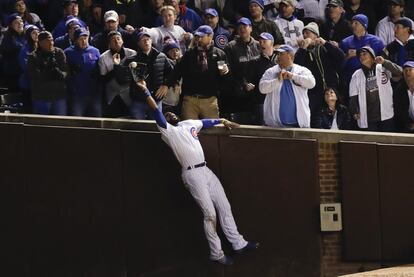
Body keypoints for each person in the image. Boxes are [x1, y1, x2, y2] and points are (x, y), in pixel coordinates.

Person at [136, 78, 259, 266]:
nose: (169, 115)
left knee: (224, 205)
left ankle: (238, 243)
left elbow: (206, 122)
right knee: (210, 213)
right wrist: (145, 91)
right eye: (166, 115)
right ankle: (216, 253)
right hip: (191, 174)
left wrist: (222, 120)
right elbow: (155, 111)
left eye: (170, 113)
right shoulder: (168, 131)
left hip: (205, 169)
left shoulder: (187, 124)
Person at [167, 25, 230, 120]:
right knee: (189, 131)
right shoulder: (189, 54)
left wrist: (226, 71)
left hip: (210, 100)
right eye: (197, 37)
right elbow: (177, 71)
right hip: (190, 100)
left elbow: (226, 77)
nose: (198, 39)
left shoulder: (219, 54)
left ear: (210, 36)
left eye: (202, 36)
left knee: (212, 131)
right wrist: (167, 84)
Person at [294, 22, 345, 127]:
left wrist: (325, 43)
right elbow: (297, 67)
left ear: (315, 35)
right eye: (303, 34)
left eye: (307, 33)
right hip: (314, 93)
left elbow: (341, 57)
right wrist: (303, 48)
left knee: (334, 118)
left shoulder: (325, 47)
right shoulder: (303, 51)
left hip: (331, 88)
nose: (305, 36)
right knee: (316, 120)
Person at [115, 30, 173, 119]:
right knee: (138, 129)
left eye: (148, 39)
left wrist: (166, 85)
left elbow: (172, 73)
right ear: (138, 43)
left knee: (156, 128)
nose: (146, 41)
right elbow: (121, 79)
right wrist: (117, 65)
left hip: (156, 100)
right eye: (143, 40)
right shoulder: (131, 60)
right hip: (138, 101)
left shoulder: (161, 56)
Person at [259, 44, 316, 128]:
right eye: (277, 54)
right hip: (275, 124)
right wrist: (277, 80)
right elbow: (262, 89)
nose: (277, 56)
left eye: (281, 54)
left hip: (299, 124)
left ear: (290, 55)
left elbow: (311, 83)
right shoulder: (270, 71)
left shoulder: (302, 70)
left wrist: (293, 76)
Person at [349, 46, 402, 132]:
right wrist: (354, 110)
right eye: (360, 56)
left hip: (386, 114)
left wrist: (384, 62)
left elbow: (400, 72)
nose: (362, 57)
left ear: (372, 55)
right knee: (372, 144)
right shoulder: (356, 74)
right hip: (369, 117)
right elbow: (353, 95)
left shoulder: (383, 67)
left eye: (364, 54)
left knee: (386, 141)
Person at [224, 17, 261, 121]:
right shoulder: (230, 47)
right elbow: (229, 71)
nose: (242, 29)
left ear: (251, 28)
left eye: (244, 26)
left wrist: (256, 85)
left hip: (257, 91)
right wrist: (242, 84)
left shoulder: (258, 45)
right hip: (238, 92)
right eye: (239, 27)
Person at [340, 14, 385, 95]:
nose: (352, 25)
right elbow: (339, 65)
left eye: (356, 23)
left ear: (364, 25)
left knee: (371, 101)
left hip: (371, 78)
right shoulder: (345, 42)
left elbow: (383, 62)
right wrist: (346, 57)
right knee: (354, 103)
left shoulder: (377, 41)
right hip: (351, 80)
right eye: (352, 23)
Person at [27, 31, 69, 115]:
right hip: (42, 97)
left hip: (59, 95)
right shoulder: (33, 56)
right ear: (41, 43)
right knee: (41, 124)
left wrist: (57, 71)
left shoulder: (59, 53)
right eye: (47, 41)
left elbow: (66, 72)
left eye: (52, 40)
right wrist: (48, 70)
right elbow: (35, 76)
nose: (51, 43)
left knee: (61, 123)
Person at [98, 30, 137, 118]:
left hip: (129, 93)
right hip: (113, 94)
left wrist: (119, 67)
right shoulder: (103, 58)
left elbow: (133, 75)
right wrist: (116, 67)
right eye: (113, 40)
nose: (116, 42)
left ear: (122, 41)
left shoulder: (132, 53)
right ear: (109, 44)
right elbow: (103, 78)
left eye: (118, 39)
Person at [64, 28, 101, 117]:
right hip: (77, 94)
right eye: (80, 39)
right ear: (75, 40)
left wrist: (97, 73)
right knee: (77, 120)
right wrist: (70, 70)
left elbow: (101, 68)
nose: (83, 41)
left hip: (93, 93)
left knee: (97, 119)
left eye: (85, 38)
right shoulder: (68, 52)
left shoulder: (95, 51)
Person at [244, 32, 278, 124]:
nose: (261, 43)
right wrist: (247, 85)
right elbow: (247, 79)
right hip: (261, 101)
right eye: (260, 41)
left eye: (264, 41)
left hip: (278, 100)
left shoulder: (280, 59)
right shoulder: (254, 61)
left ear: (271, 43)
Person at [0, 13, 25, 92]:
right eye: (16, 22)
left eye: (21, 21)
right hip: (14, 72)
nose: (20, 24)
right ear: (11, 25)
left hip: (25, 71)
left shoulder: (26, 35)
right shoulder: (7, 38)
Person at [18, 24, 39, 113]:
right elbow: (26, 67)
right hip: (28, 85)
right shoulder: (25, 49)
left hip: (39, 85)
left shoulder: (40, 47)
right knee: (29, 110)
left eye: (38, 32)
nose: (37, 34)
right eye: (34, 33)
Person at [394, 61, 414, 132]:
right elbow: (399, 109)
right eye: (405, 71)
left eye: (410, 70)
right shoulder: (400, 88)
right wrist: (409, 123)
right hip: (406, 125)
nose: (407, 72)